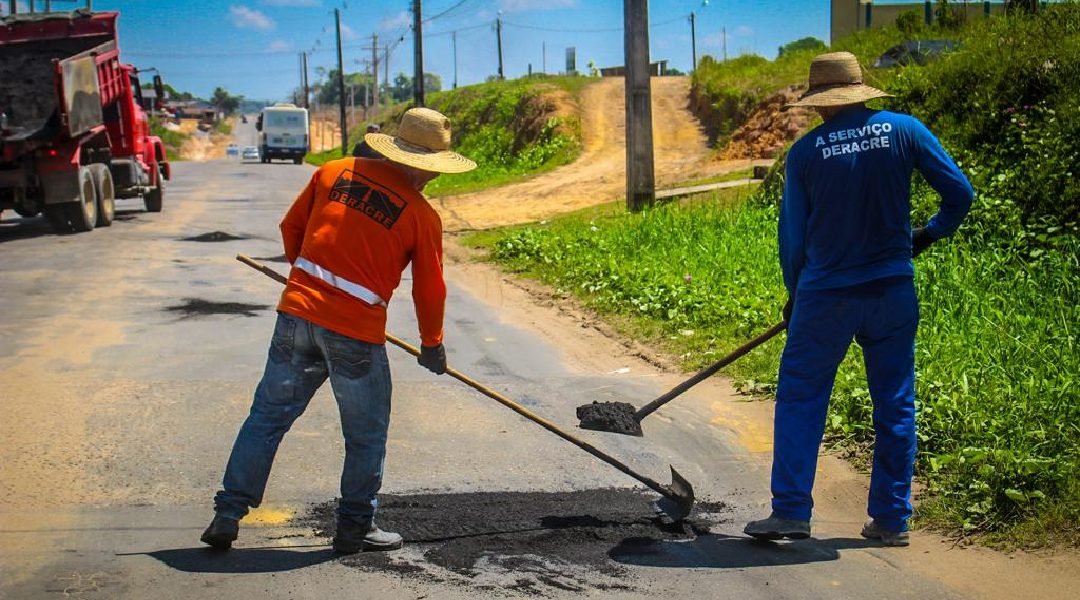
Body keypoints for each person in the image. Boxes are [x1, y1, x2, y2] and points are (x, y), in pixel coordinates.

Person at [201, 107, 477, 553]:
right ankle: (354, 528)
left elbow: (292, 229)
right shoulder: (422, 216)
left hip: (296, 319)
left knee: (267, 418)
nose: (432, 179)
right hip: (354, 336)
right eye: (430, 170)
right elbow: (430, 289)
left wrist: (309, 285)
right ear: (419, 165)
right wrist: (433, 345)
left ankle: (228, 512)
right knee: (366, 433)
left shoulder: (332, 173)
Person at [743, 52, 973, 547]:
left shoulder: (805, 154)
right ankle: (891, 520)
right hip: (892, 292)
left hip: (825, 296)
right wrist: (928, 235)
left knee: (802, 396)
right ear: (861, 89)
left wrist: (795, 294)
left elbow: (793, 241)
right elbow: (961, 194)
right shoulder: (905, 131)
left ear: (820, 102)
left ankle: (790, 512)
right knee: (894, 403)